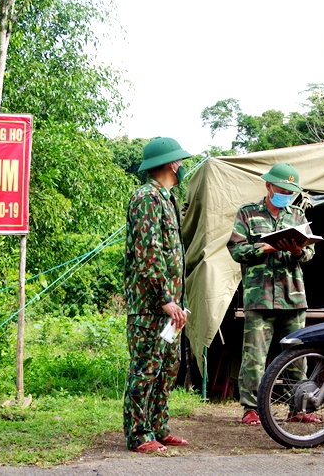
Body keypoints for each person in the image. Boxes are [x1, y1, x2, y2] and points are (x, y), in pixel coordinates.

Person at [227, 163, 319, 426]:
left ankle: (298, 408)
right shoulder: (247, 213)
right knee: (254, 357)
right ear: (268, 186)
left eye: (290, 191)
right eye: (281, 190)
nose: (286, 195)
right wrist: (264, 248)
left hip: (293, 297)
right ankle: (251, 409)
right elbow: (236, 250)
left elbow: (311, 253)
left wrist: (299, 251)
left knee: (296, 358)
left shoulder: (298, 216)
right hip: (260, 298)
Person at [123, 137, 191, 454]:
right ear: (168, 164)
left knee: (167, 369)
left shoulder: (167, 199)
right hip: (152, 306)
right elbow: (148, 254)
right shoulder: (146, 198)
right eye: (177, 161)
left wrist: (175, 303)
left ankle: (159, 427)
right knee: (145, 370)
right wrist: (165, 299)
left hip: (171, 307)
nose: (181, 166)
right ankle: (139, 434)